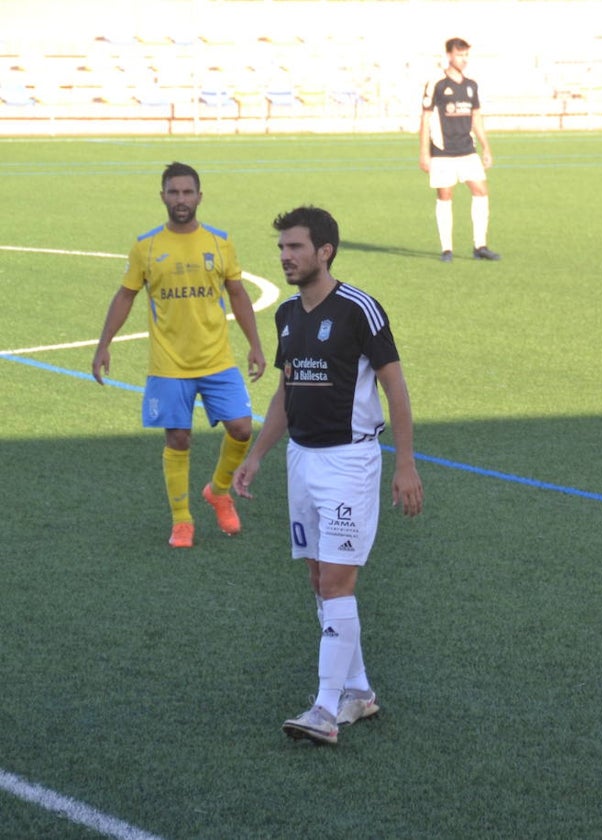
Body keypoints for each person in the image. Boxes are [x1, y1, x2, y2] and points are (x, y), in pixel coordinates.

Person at [232, 206, 424, 746]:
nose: (285, 257)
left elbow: (396, 389)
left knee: (338, 581)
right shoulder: (287, 315)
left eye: (295, 247)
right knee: (320, 580)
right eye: (281, 249)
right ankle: (358, 694)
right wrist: (257, 455)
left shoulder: (359, 310)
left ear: (325, 252)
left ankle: (322, 708)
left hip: (349, 463)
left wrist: (404, 463)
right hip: (302, 459)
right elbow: (286, 391)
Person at [92, 161, 266, 549]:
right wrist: (104, 343)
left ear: (200, 197)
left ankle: (218, 491)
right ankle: (182, 520)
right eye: (174, 192)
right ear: (163, 197)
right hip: (169, 364)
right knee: (179, 438)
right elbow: (125, 295)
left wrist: (255, 344)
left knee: (241, 428)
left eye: (188, 192)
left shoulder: (220, 242)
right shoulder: (147, 246)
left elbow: (238, 293)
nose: (181, 199)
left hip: (218, 359)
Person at [419, 37, 500, 263]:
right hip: (443, 151)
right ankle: (447, 249)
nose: (463, 60)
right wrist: (424, 153)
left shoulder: (471, 85)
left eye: (466, 55)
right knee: (445, 196)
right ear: (449, 56)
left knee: (481, 191)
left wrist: (486, 147)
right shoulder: (436, 83)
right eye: (459, 55)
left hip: (467, 149)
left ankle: (480, 245)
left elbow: (476, 117)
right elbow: (425, 118)